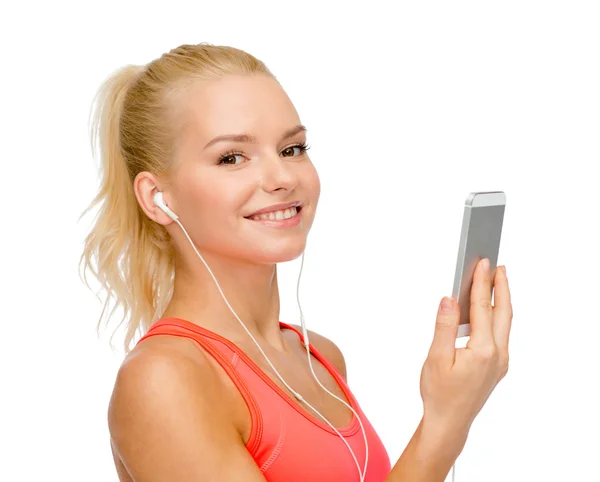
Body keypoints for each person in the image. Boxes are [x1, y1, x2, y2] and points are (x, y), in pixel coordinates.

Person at [80, 43, 512, 482]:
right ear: (158, 198)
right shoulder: (163, 380)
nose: (284, 178)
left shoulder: (320, 359)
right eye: (232, 157)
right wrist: (445, 424)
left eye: (292, 149)